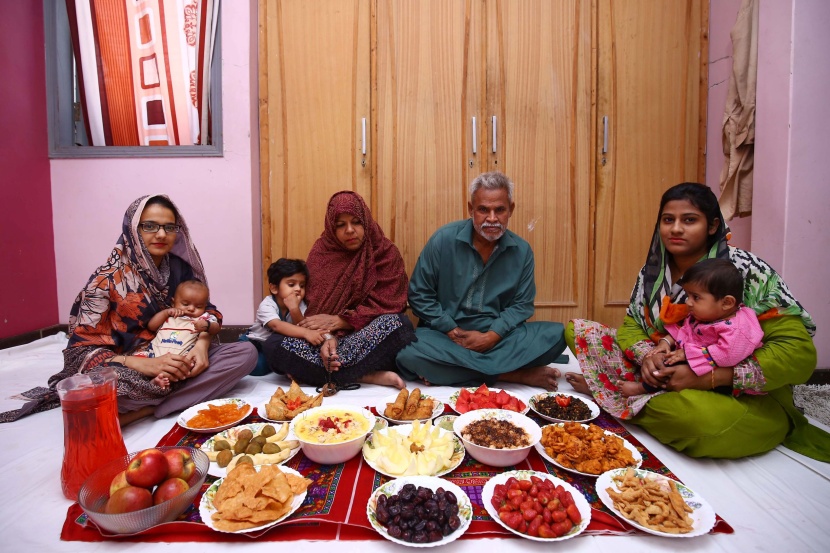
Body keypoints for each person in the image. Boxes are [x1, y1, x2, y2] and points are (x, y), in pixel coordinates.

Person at [565, 182, 830, 460]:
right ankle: (638, 394)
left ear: (713, 225)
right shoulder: (653, 273)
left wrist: (709, 378)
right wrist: (650, 357)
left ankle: (608, 393)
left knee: (693, 418)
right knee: (579, 332)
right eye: (668, 220)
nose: (676, 229)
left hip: (734, 393)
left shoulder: (745, 271)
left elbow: (797, 353)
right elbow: (632, 325)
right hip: (666, 370)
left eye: (689, 220)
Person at [1, 195, 257, 426]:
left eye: (169, 227)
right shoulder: (106, 281)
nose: (161, 234)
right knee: (94, 396)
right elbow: (79, 353)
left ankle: (148, 409)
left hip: (181, 353)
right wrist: (146, 365)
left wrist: (202, 343)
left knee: (245, 353)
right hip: (131, 368)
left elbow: (208, 311)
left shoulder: (180, 270)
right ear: (132, 229)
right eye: (149, 226)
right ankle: (161, 401)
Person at [396, 171, 566, 390]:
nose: (492, 218)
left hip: (498, 339)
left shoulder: (522, 251)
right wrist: (451, 330)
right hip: (447, 337)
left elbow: (522, 305)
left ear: (510, 210)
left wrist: (491, 336)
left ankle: (455, 371)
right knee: (407, 352)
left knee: (556, 336)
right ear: (471, 209)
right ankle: (513, 375)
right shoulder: (443, 240)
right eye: (483, 209)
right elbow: (419, 294)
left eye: (500, 210)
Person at [262, 191, 415, 391]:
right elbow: (314, 311)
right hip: (322, 342)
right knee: (274, 344)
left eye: (356, 222)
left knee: (400, 324)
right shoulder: (322, 252)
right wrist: (327, 337)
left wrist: (343, 321)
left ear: (366, 221)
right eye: (340, 225)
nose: (349, 230)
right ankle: (368, 375)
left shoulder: (385, 253)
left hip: (361, 342)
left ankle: (326, 372)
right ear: (331, 228)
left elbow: (391, 303)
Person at [623, 258, 763, 397]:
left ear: (727, 302)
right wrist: (665, 342)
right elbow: (685, 330)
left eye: (696, 297)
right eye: (687, 295)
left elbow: (727, 355)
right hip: (696, 360)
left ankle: (643, 389)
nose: (688, 302)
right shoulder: (706, 316)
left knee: (668, 367)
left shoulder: (737, 328)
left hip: (716, 379)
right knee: (665, 361)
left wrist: (687, 354)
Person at [133, 279, 222, 390]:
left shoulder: (203, 318)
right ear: (173, 302)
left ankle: (157, 384)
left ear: (205, 307)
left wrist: (207, 326)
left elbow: (216, 328)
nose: (191, 308)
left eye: (198, 306)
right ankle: (150, 384)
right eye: (185, 304)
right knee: (136, 360)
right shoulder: (169, 315)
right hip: (153, 355)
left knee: (184, 367)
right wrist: (165, 313)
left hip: (181, 358)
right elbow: (151, 326)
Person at [247, 258, 327, 347]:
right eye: (291, 284)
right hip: (256, 343)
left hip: (276, 347)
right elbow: (276, 326)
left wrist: (294, 309)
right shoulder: (267, 304)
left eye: (302, 285)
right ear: (274, 288)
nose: (298, 289)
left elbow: (302, 325)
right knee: (251, 355)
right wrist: (307, 333)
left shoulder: (300, 305)